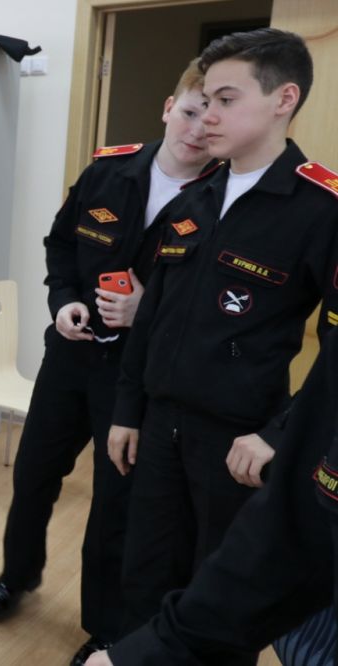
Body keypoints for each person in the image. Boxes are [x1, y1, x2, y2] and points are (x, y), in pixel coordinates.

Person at [107, 27, 338, 645]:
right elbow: (151, 318)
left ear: (284, 99)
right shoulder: (197, 196)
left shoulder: (320, 207)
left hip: (238, 443)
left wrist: (278, 434)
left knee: (218, 599)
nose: (207, 115)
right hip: (159, 426)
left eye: (226, 100)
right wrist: (128, 409)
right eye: (206, 99)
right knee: (143, 575)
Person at [0, 60, 213, 665]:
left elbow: (209, 308)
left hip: (136, 380)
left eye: (211, 117)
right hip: (70, 358)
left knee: (115, 503)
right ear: (169, 107)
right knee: (33, 474)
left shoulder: (220, 200)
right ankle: (18, 574)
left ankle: (104, 625)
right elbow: (60, 245)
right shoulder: (110, 169)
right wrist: (63, 303)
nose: (197, 128)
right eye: (190, 111)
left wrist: (146, 311)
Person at [86, 320, 338, 666]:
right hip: (165, 417)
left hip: (237, 425)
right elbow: (282, 539)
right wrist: (138, 653)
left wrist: (277, 431)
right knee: (148, 568)